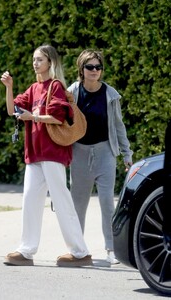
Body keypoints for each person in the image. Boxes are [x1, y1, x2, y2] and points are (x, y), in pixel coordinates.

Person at [0, 44, 92, 267]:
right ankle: (26, 250)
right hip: (34, 153)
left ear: (50, 62)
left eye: (39, 59)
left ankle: (80, 253)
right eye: (34, 59)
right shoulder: (33, 89)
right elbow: (12, 110)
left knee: (61, 201)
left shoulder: (56, 86)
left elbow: (59, 117)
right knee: (30, 200)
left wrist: (35, 117)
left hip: (52, 153)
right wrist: (9, 87)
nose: (35, 63)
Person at [67, 49, 133, 264]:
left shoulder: (110, 94)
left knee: (107, 203)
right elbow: (62, 124)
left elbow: (118, 126)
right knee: (78, 205)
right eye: (90, 67)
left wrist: (126, 154)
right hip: (79, 153)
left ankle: (111, 250)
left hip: (105, 153)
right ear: (82, 69)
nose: (94, 71)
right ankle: (78, 250)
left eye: (98, 67)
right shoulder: (73, 92)